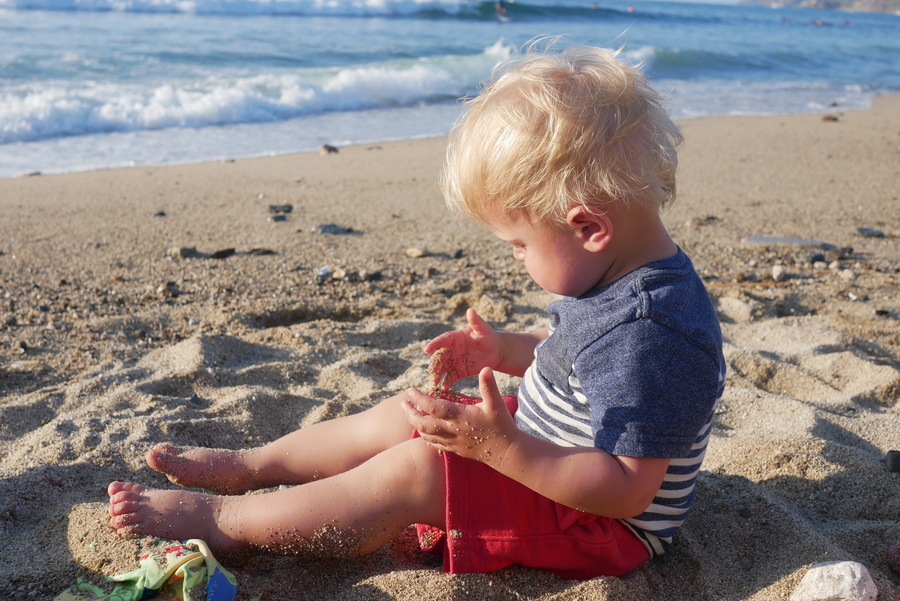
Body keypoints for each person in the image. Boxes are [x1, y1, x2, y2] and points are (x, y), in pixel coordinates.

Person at [108, 44, 725, 580]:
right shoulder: (620, 277)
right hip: (546, 452)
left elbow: (626, 490)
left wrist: (502, 451)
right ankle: (253, 467)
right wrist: (505, 351)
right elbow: (582, 362)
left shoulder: (654, 334)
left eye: (519, 244)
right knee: (407, 415)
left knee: (418, 469)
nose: (516, 259)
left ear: (587, 225)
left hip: (596, 523)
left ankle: (228, 520)